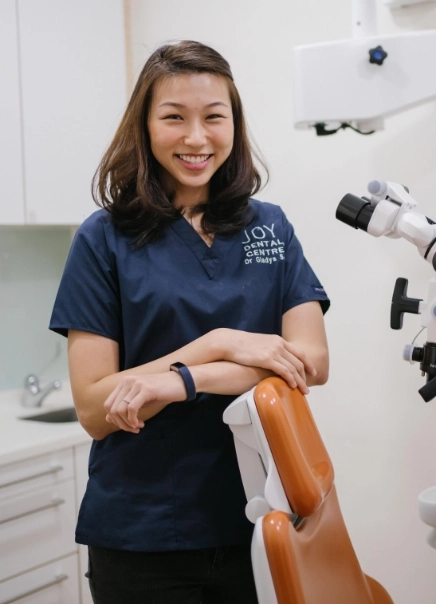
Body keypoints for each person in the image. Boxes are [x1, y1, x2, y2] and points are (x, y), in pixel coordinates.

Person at [49, 40, 330, 604]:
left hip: (264, 518)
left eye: (213, 117)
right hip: (144, 533)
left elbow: (309, 364)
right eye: (174, 117)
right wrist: (222, 343)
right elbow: (95, 408)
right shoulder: (102, 239)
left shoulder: (268, 228)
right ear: (145, 127)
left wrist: (179, 381)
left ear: (234, 124)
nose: (196, 138)